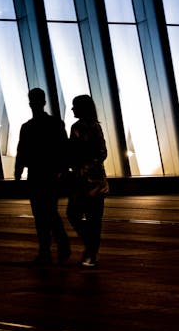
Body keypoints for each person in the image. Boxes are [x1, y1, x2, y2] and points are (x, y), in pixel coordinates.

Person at [14, 87, 71, 266]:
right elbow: (64, 148)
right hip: (51, 175)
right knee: (50, 212)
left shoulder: (27, 127)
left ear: (31, 103)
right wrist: (62, 170)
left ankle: (46, 250)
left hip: (37, 175)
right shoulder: (56, 124)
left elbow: (21, 152)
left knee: (40, 215)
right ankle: (61, 245)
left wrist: (18, 173)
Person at [66, 94, 108, 268]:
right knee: (92, 217)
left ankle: (90, 250)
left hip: (86, 180)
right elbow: (102, 152)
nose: (72, 109)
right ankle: (91, 251)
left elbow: (73, 152)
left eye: (75, 106)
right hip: (93, 179)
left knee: (77, 214)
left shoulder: (80, 128)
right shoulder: (93, 127)